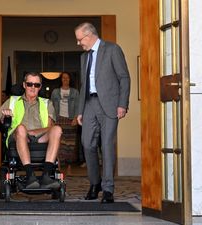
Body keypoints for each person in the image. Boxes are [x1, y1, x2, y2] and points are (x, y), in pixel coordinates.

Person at [74, 22, 130, 203]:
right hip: (89, 103)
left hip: (110, 104)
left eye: (79, 39)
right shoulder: (84, 57)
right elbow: (83, 86)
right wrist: (80, 110)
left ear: (89, 36)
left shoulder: (112, 49)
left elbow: (124, 78)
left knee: (106, 145)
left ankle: (107, 189)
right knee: (87, 144)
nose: (78, 43)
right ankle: (95, 183)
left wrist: (122, 104)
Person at [0, 72, 62, 190]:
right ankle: (30, 175)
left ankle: (46, 176)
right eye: (30, 84)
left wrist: (33, 132)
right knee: (21, 128)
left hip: (40, 137)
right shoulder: (12, 101)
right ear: (24, 85)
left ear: (40, 87)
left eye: (36, 85)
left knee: (57, 129)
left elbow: (51, 127)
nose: (33, 87)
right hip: (18, 136)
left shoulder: (47, 103)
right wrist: (3, 119)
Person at [50, 72, 81, 166]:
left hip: (71, 120)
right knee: (59, 142)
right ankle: (60, 165)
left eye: (67, 78)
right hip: (58, 120)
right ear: (61, 79)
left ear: (70, 79)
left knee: (70, 144)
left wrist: (76, 118)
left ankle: (69, 166)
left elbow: (78, 106)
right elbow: (51, 106)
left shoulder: (75, 92)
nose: (65, 79)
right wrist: (51, 119)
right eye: (63, 78)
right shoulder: (55, 92)